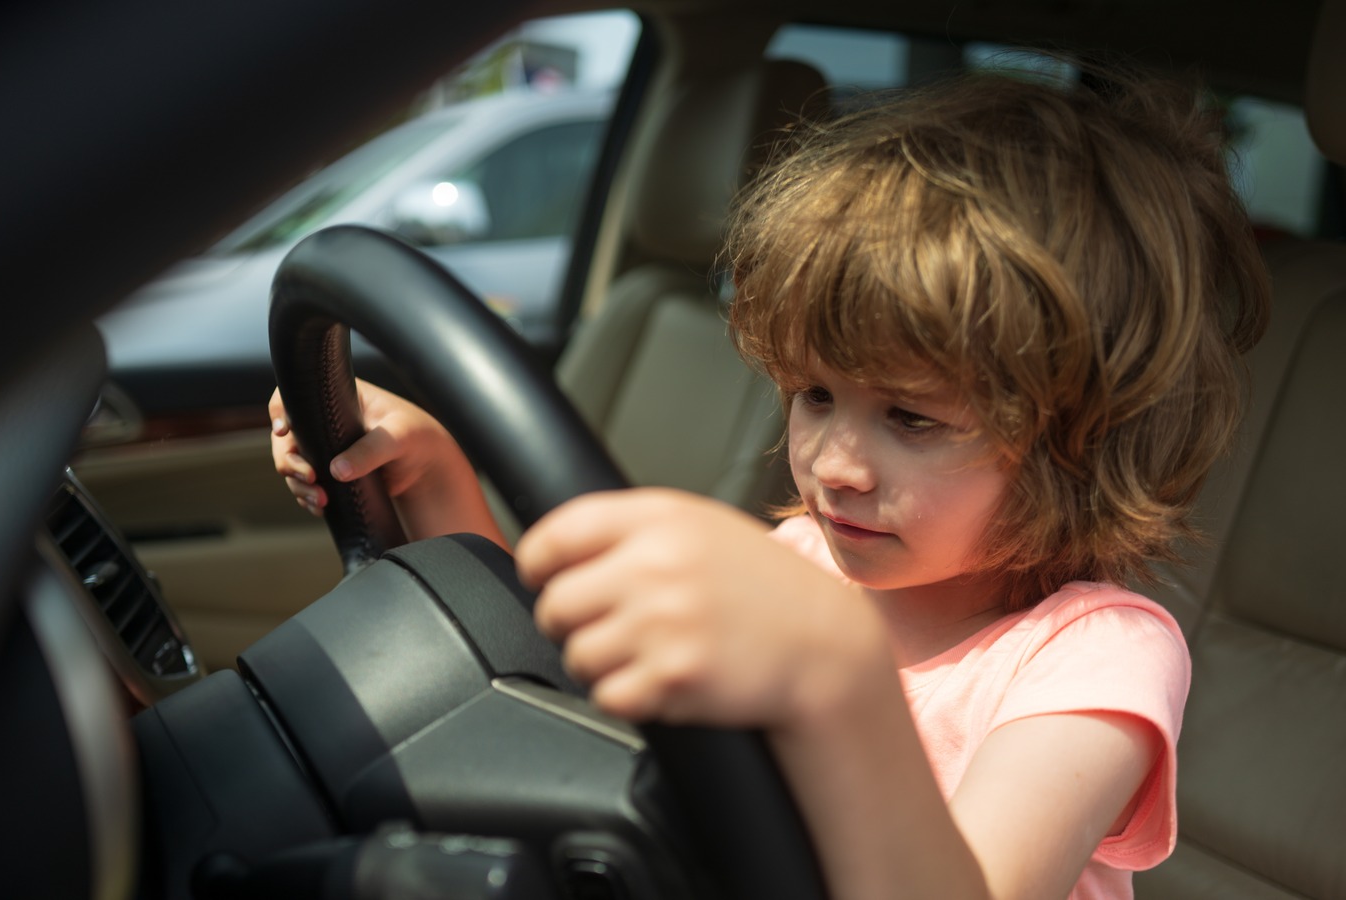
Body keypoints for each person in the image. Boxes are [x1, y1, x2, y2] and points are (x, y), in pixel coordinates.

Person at [269, 66, 1269, 900]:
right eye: (811, 395)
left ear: (1084, 440)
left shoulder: (1094, 658)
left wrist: (837, 677)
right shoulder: (803, 562)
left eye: (912, 418)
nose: (833, 464)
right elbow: (562, 716)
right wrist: (435, 483)